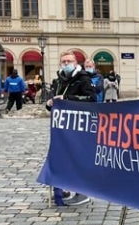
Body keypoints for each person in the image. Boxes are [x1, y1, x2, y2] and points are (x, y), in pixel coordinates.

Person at [46, 51, 98, 206]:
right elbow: (53, 101)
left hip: (79, 126)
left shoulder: (83, 79)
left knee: (77, 159)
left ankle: (82, 192)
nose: (66, 64)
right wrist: (49, 104)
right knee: (62, 159)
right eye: (63, 61)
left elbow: (91, 99)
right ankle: (64, 189)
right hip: (61, 127)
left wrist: (68, 99)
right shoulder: (58, 80)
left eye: (69, 61)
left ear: (76, 63)